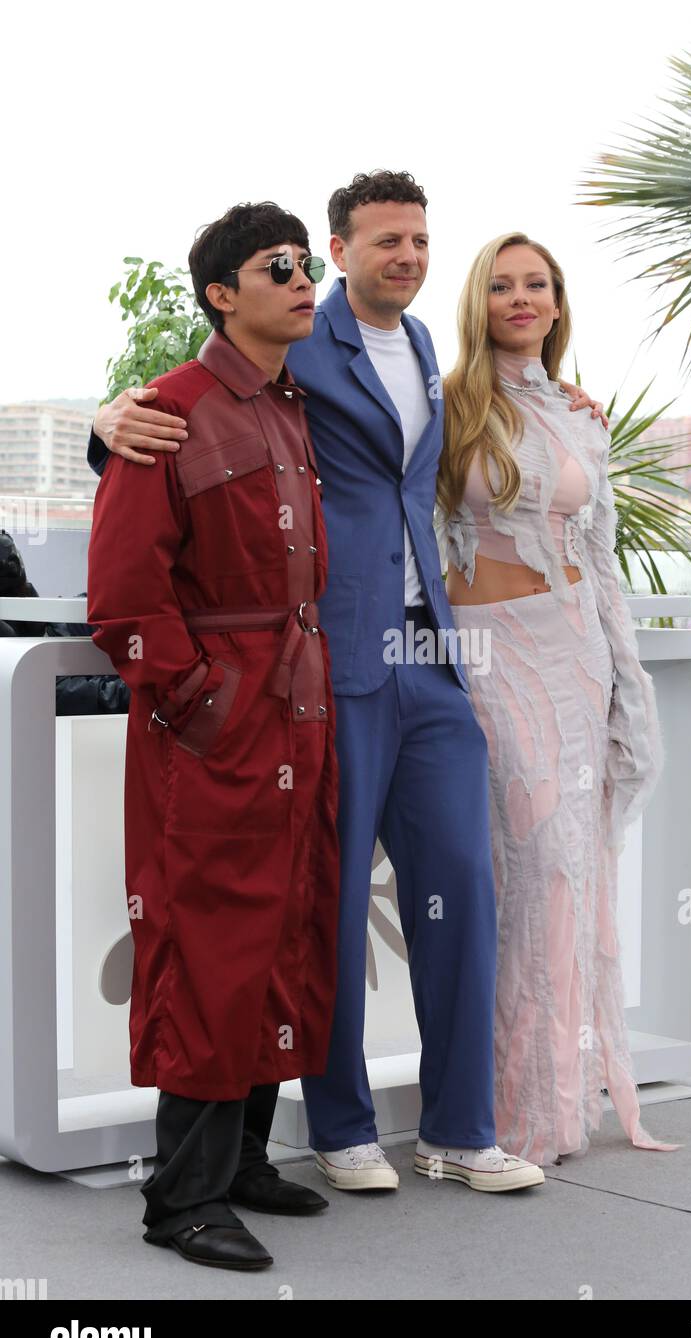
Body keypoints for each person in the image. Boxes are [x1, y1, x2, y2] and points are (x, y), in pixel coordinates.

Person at [88, 171, 604, 1197]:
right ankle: (341, 1125)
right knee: (318, 902)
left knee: (461, 884)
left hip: (433, 654)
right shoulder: (292, 351)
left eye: (419, 240)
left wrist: (557, 390)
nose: (406, 256)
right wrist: (106, 425)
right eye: (385, 242)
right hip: (327, 663)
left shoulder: (427, 353)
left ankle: (460, 1127)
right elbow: (179, 417)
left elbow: (479, 442)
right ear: (339, 251)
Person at [86, 201, 342, 1271]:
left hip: (299, 714)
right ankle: (178, 1199)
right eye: (277, 266)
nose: (302, 278)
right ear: (220, 294)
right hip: (219, 731)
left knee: (284, 929)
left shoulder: (291, 409)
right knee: (207, 942)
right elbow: (126, 596)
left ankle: (240, 1160)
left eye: (308, 262)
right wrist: (202, 706)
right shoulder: (167, 413)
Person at [437, 233, 682, 1166]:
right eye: (501, 285)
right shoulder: (449, 403)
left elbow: (604, 558)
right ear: (479, 302)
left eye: (535, 283)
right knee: (526, 867)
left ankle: (561, 1100)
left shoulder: (584, 415)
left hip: (575, 653)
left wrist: (627, 684)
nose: (520, 298)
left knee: (574, 877)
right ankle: (501, 1111)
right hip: (490, 660)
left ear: (556, 298)